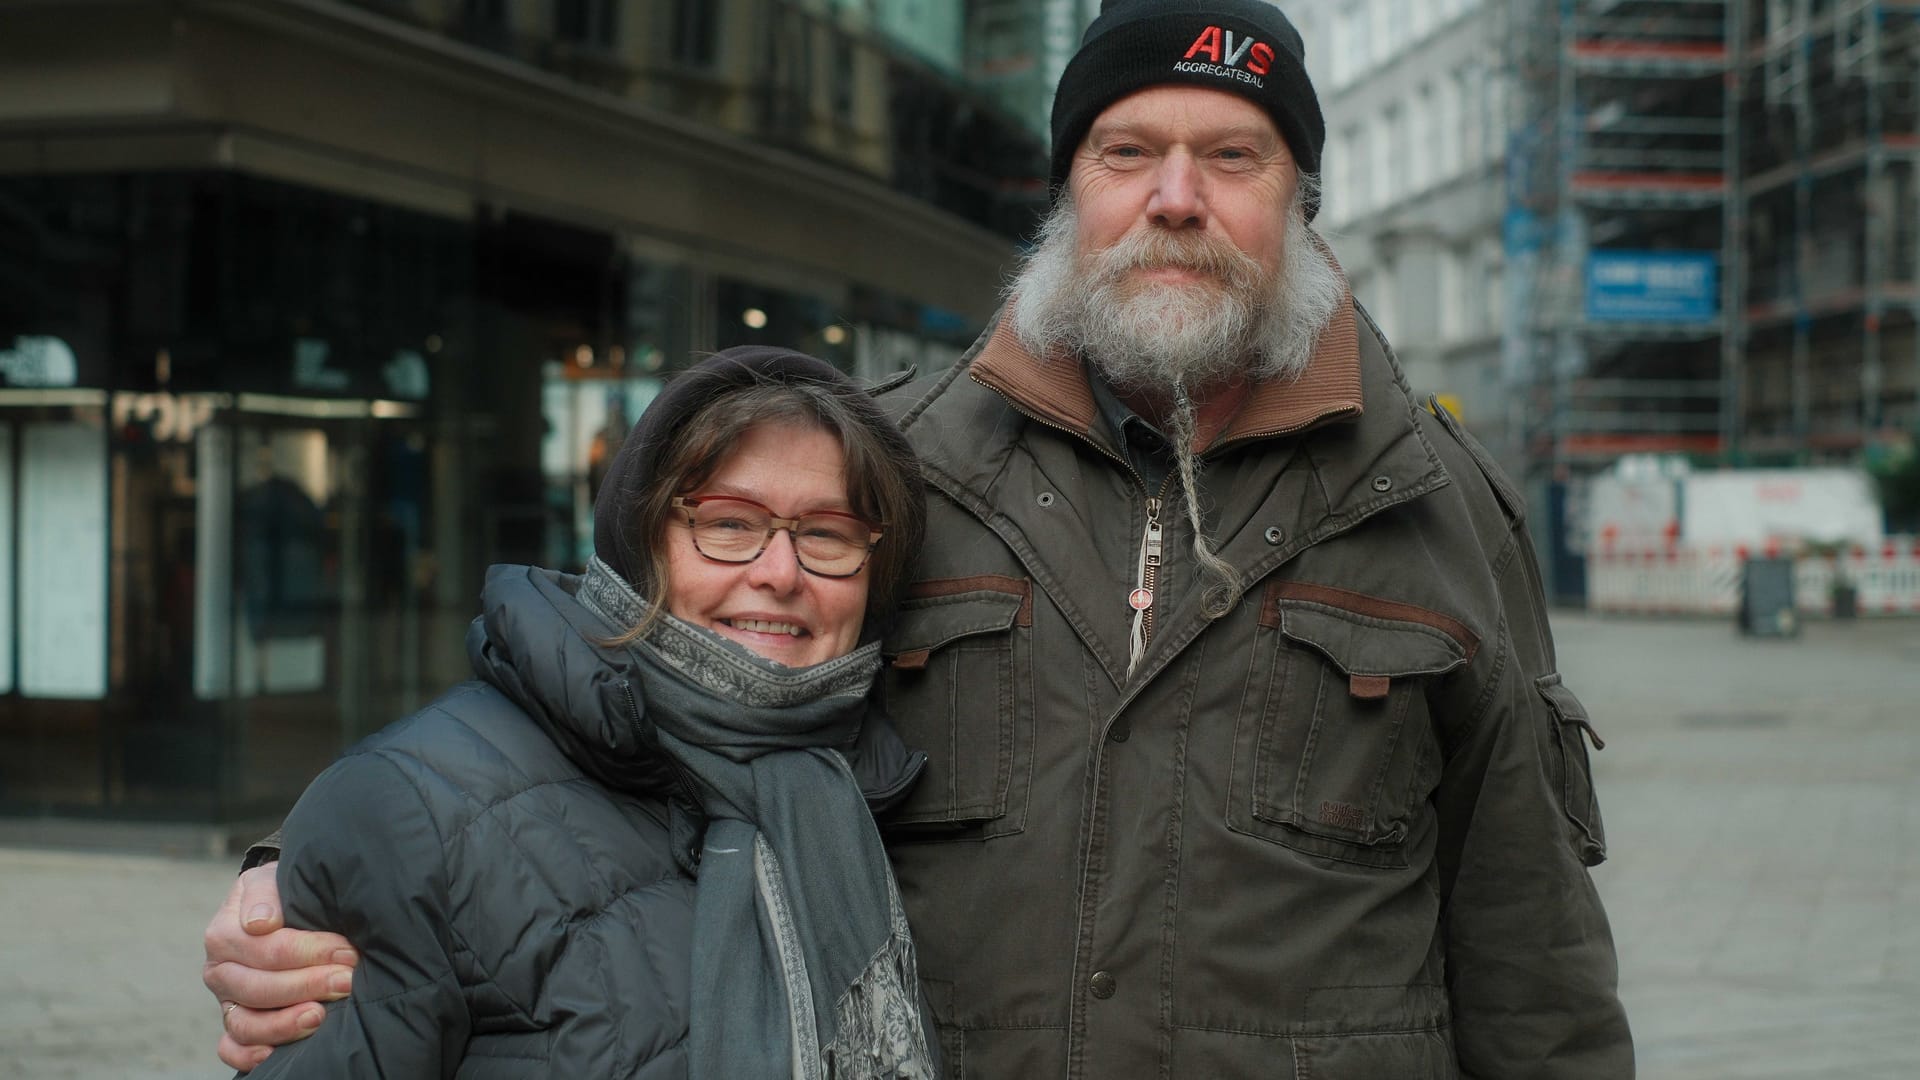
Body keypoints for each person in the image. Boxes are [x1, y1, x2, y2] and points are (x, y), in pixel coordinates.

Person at [205, 2, 1634, 1075]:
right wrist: (308, 870)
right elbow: (620, 697)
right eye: (1128, 151)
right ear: (1072, 196)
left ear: (1299, 205)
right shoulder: (896, 463)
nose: (1177, 196)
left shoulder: (1433, 501)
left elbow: (1533, 958)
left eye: (1233, 157)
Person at [206, 345, 937, 1078]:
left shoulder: (872, 793)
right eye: (728, 523)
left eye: (827, 534)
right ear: (641, 544)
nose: (779, 572)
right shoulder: (412, 810)